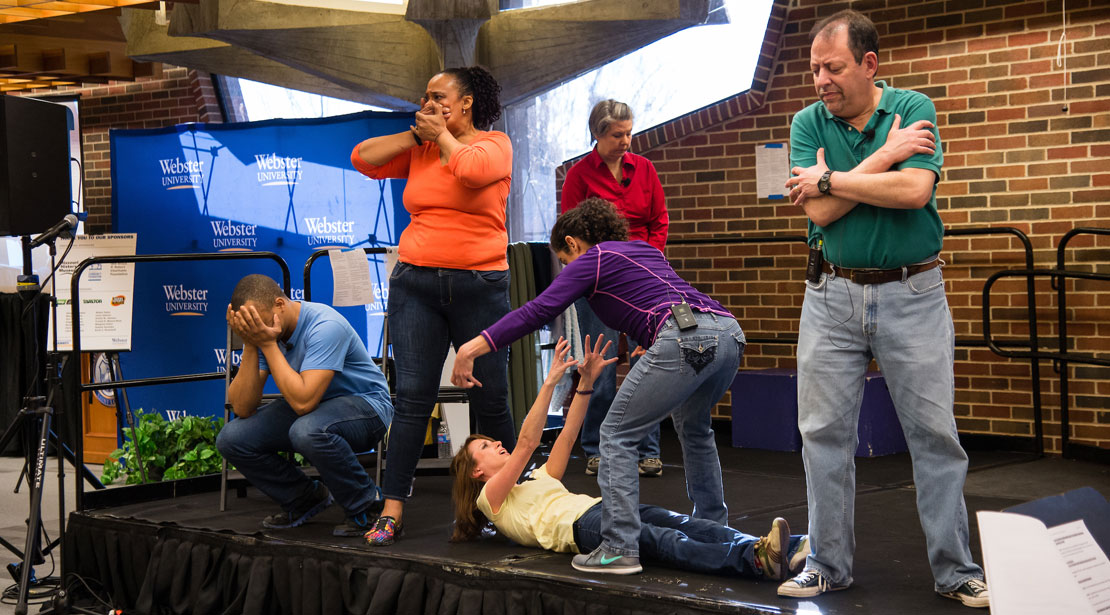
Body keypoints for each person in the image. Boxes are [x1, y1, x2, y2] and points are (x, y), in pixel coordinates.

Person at [779, 10, 988, 608]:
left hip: (913, 293)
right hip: (830, 296)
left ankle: (955, 571)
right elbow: (818, 215)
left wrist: (830, 179)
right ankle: (826, 564)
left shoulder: (913, 107)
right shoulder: (806, 123)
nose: (821, 78)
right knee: (822, 435)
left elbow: (913, 191)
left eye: (834, 67)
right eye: (815, 67)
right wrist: (879, 160)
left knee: (934, 437)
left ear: (869, 65)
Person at [451, 198, 745, 574]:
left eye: (564, 260)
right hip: (727, 333)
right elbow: (655, 296)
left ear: (572, 244)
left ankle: (620, 547)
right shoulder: (642, 249)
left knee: (616, 435)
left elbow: (538, 310)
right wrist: (646, 336)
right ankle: (712, 528)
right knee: (696, 429)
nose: (568, 269)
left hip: (683, 339)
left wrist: (474, 346)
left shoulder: (592, 259)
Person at [452, 335, 809, 580]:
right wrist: (549, 384)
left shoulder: (537, 479)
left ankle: (788, 547)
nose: (496, 443)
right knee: (666, 542)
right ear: (476, 472)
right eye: (484, 447)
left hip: (606, 510)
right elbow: (527, 443)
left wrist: (586, 383)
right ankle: (755, 561)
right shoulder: (491, 501)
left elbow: (569, 434)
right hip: (586, 530)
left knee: (687, 525)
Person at [350, 65, 517, 547]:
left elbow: (469, 170)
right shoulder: (422, 146)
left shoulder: (495, 145)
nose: (428, 102)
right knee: (413, 399)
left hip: (480, 286)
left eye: (439, 95)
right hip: (416, 284)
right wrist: (413, 134)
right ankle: (393, 508)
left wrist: (440, 135)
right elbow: (363, 157)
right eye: (424, 96)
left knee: (490, 395)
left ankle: (505, 499)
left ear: (466, 103)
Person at [217, 274, 394, 537]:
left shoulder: (325, 325)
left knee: (307, 429)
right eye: (252, 327)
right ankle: (304, 498)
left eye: (261, 323)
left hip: (367, 407)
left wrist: (266, 342)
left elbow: (303, 402)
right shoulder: (267, 333)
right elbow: (242, 407)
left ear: (280, 303)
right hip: (316, 409)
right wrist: (252, 345)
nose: (259, 329)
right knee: (232, 438)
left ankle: (367, 505)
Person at [561, 99, 669, 478]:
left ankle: (648, 451)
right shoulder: (578, 175)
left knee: (648, 363)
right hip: (598, 280)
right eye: (617, 135)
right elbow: (570, 232)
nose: (626, 141)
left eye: (629, 133)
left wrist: (647, 262)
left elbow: (659, 221)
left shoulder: (645, 169)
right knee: (601, 366)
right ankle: (595, 448)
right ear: (597, 134)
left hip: (643, 279)